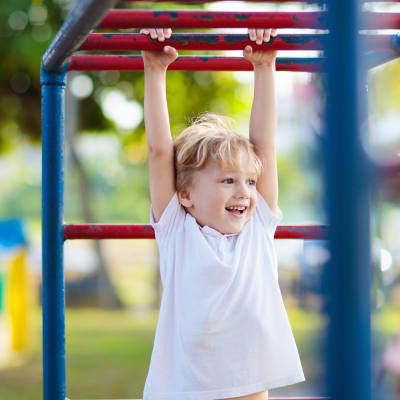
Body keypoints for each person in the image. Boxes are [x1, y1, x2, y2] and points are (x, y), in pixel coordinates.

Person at [140, 27, 305, 400]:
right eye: (228, 180)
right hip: (189, 386)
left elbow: (265, 145)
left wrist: (264, 68)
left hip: (248, 381)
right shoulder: (177, 231)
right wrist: (155, 70)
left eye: (248, 181)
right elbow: (159, 152)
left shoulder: (257, 225)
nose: (244, 192)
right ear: (185, 194)